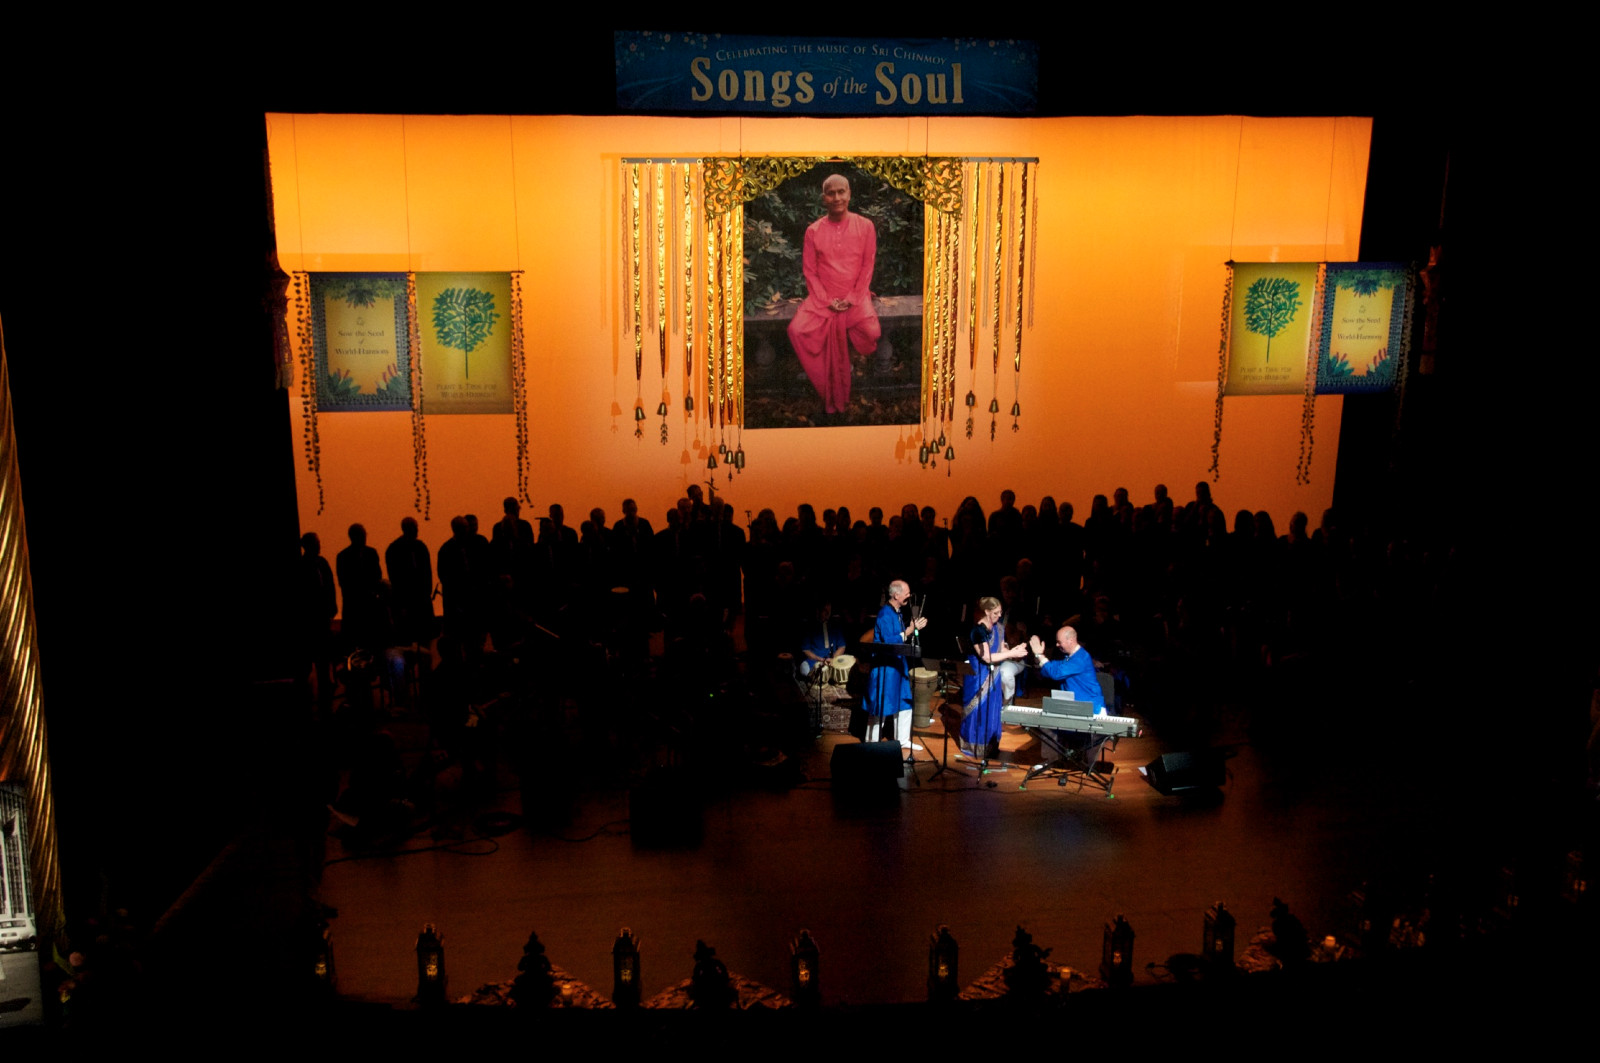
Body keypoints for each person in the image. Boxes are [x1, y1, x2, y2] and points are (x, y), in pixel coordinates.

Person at [786, 174, 880, 415]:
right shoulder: (813, 231)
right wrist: (827, 301)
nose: (837, 197)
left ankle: (850, 363)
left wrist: (852, 297)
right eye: (831, 193)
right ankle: (825, 384)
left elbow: (867, 266)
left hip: (855, 295)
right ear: (823, 198)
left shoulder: (865, 226)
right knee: (796, 330)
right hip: (823, 297)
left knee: (871, 332)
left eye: (841, 192)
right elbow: (810, 272)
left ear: (849, 194)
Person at [959, 596, 1030, 765]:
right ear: (987, 612)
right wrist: (1012, 654)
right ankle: (974, 747)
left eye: (1000, 612)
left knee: (992, 709)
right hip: (978, 676)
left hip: (994, 674)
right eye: (996, 613)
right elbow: (987, 657)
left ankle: (990, 746)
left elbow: (1001, 649)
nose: (999, 616)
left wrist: (1014, 650)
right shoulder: (978, 631)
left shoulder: (999, 628)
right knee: (979, 710)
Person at [864, 579, 926, 748]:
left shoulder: (897, 613)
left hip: (898, 665)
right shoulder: (885, 613)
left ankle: (902, 740)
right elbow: (888, 641)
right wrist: (909, 630)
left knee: (904, 702)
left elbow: (900, 637)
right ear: (896, 595)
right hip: (885, 668)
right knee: (882, 704)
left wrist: (912, 629)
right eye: (907, 593)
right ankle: (872, 743)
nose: (909, 596)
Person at [1027, 625, 1105, 710]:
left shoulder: (1080, 658)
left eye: (1059, 642)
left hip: (1091, 709)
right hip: (1078, 707)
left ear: (1070, 640)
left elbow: (1056, 674)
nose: (1057, 645)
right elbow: (1050, 668)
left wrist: (1040, 655)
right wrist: (1038, 659)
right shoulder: (1070, 658)